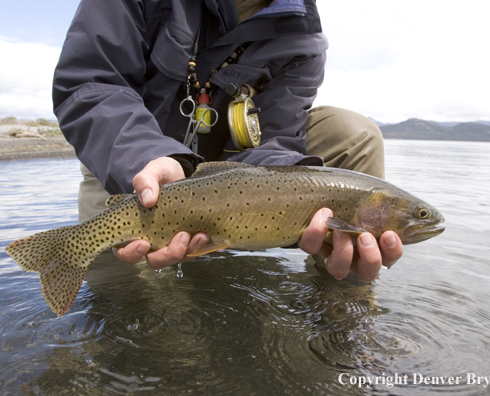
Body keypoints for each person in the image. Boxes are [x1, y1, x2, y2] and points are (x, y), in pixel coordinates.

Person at [52, 0, 403, 283]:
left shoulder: (303, 34)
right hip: (131, 155)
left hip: (238, 173)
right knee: (127, 295)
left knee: (355, 134)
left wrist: (298, 201)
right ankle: (75, 257)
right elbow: (90, 83)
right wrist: (142, 157)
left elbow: (280, 137)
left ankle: (343, 306)